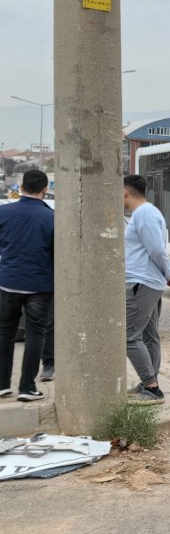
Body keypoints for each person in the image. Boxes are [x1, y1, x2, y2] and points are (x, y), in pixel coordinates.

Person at [123, 174, 170, 405]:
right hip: (147, 282)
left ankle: (152, 388)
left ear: (125, 192)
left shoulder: (144, 213)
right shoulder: (145, 212)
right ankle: (149, 381)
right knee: (149, 335)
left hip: (142, 282)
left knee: (129, 336)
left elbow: (156, 250)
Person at [0, 169, 54, 402]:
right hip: (39, 286)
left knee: (4, 332)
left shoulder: (3, 212)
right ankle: (27, 387)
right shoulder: (51, 217)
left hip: (8, 282)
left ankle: (2, 385)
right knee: (35, 335)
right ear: (45, 189)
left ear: (21, 187)